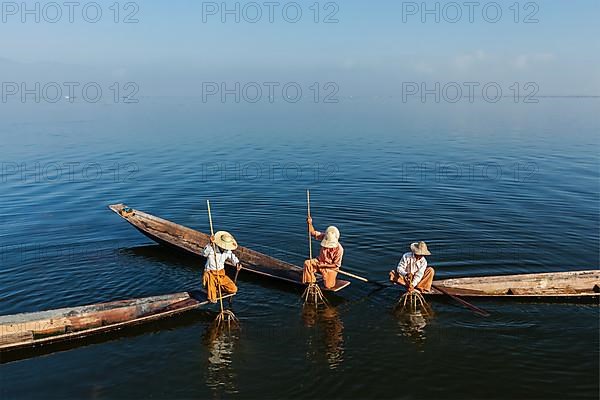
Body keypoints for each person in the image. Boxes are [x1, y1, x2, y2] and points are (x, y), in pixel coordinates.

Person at [302, 217, 344, 290]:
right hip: (319, 262)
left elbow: (336, 265)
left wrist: (323, 265)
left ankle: (327, 277)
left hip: (330, 268)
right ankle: (311, 282)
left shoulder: (339, 250)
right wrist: (310, 223)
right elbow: (312, 232)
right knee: (307, 263)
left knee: (328, 286)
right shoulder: (325, 236)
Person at [202, 230, 242, 303]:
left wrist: (237, 263)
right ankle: (213, 288)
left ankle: (217, 287)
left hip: (221, 274)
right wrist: (210, 244)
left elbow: (233, 257)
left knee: (233, 289)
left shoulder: (227, 250)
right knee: (212, 299)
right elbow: (204, 254)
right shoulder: (212, 248)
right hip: (210, 273)